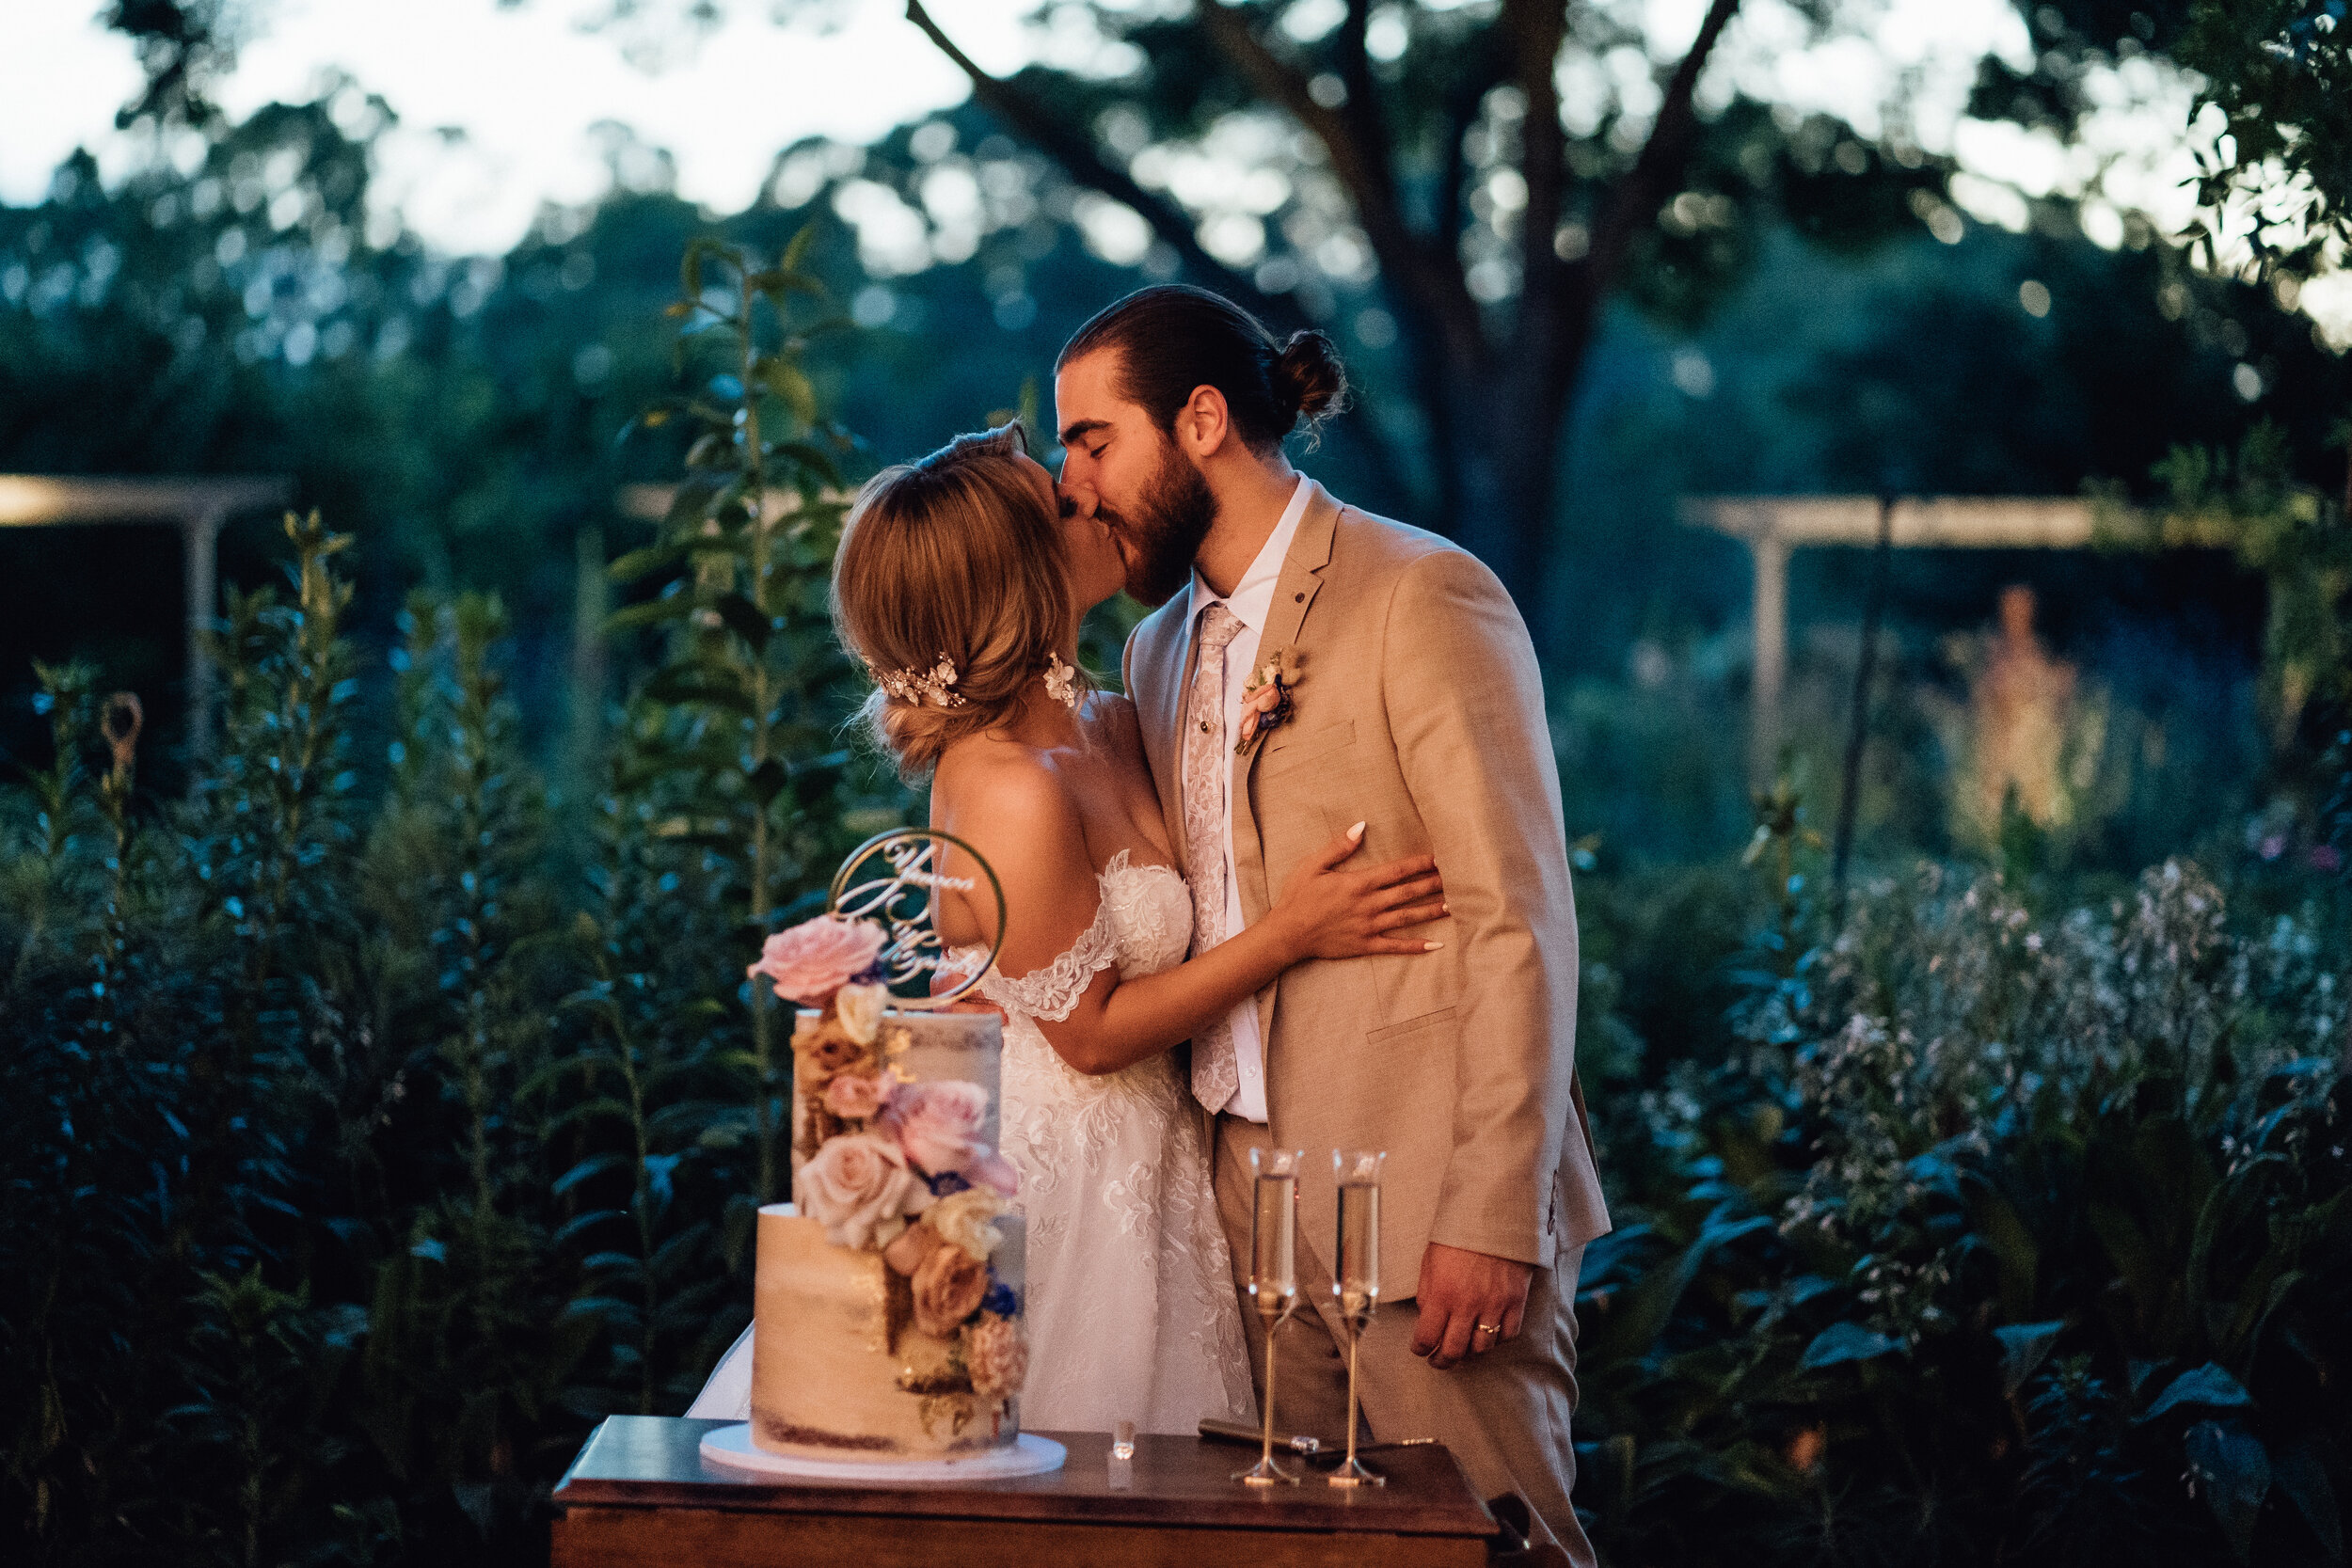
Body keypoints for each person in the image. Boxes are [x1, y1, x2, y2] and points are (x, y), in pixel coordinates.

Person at [689, 422, 1449, 1436]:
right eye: (1060, 502)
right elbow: (1086, 1033)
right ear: (1019, 573)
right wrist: (1292, 931)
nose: (1089, 498)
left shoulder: (1110, 713)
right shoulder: (1008, 786)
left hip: (1166, 1156)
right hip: (1061, 1187)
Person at [1054, 285, 1610, 1561]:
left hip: (1428, 1208)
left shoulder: (1422, 593)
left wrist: (1491, 1206)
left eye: (1093, 439)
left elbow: (1520, 915)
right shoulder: (1153, 654)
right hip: (1245, 1218)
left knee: (1499, 1544)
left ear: (1200, 420)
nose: (1075, 480)